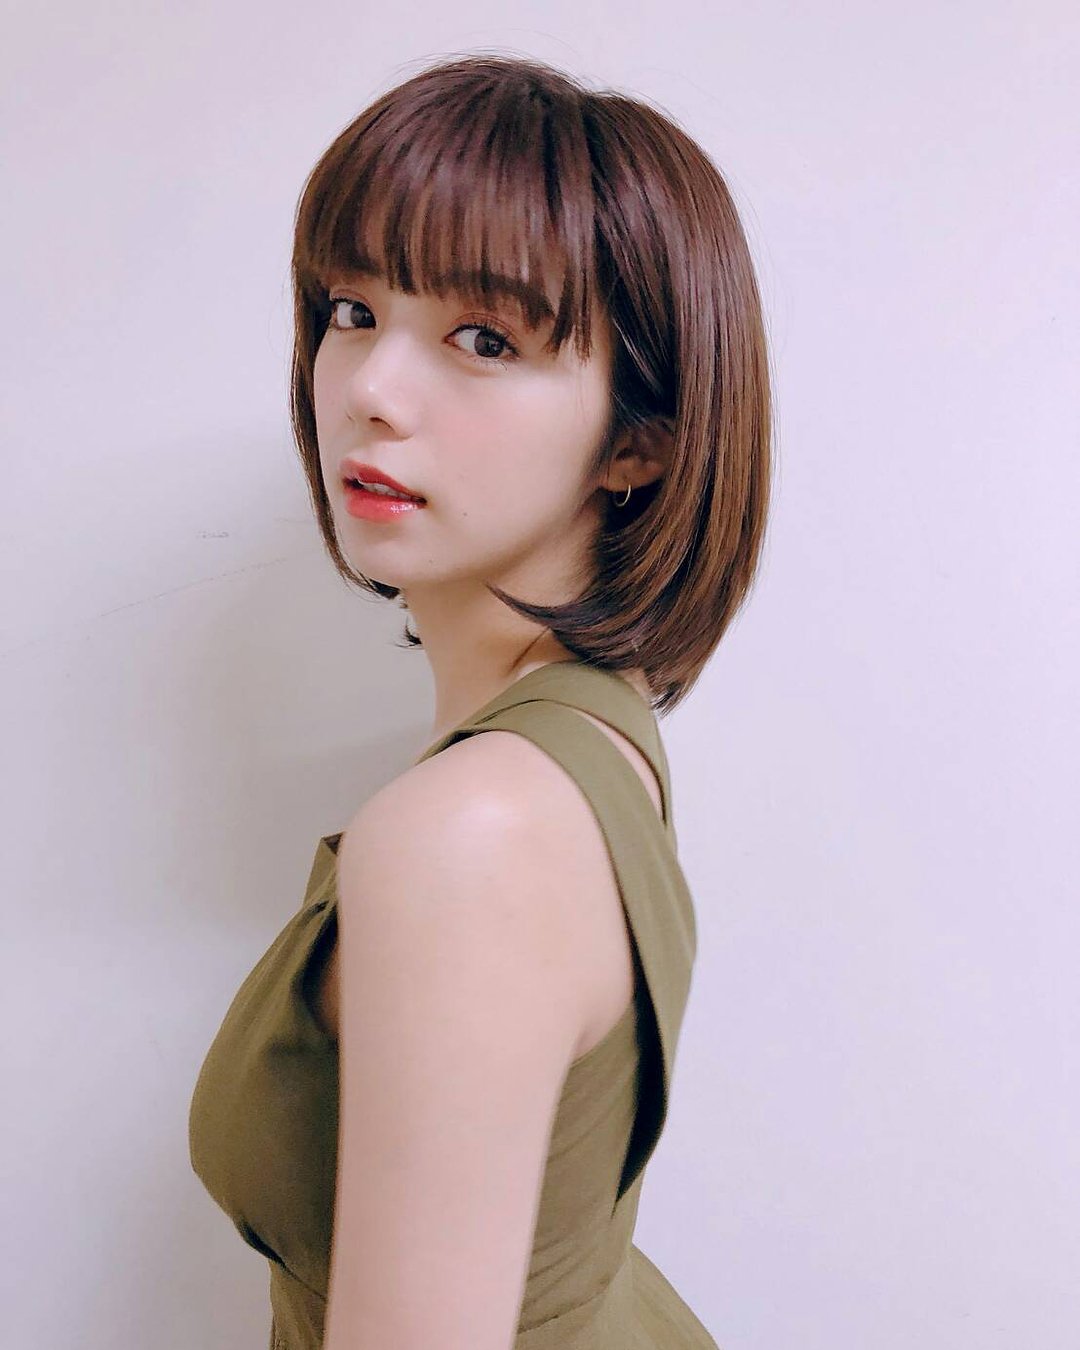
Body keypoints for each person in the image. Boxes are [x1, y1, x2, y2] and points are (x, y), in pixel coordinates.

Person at [189, 51, 772, 1350]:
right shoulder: (593, 733)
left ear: (639, 441)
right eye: (352, 309)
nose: (370, 390)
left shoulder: (475, 831)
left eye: (485, 339)